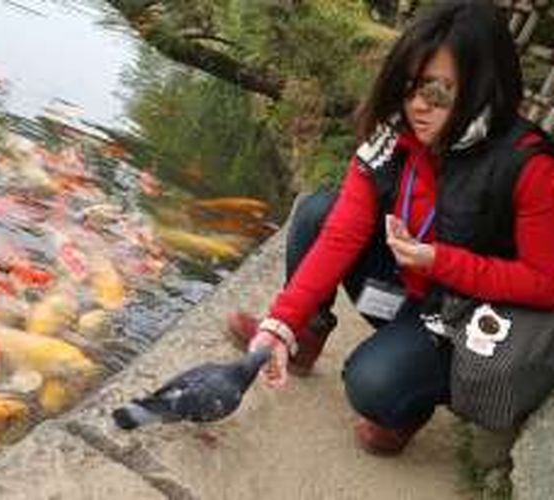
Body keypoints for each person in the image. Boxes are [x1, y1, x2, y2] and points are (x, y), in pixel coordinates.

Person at [227, 0, 554, 456]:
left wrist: (442, 261)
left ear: (484, 87)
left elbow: (546, 284)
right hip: (405, 276)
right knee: (318, 212)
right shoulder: (394, 129)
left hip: (457, 310)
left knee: (373, 384)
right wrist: (281, 322)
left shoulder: (528, 165)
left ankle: (406, 409)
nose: (417, 106)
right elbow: (343, 233)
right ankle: (302, 337)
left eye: (438, 93)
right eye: (408, 87)